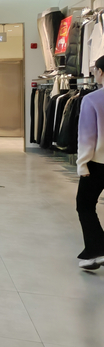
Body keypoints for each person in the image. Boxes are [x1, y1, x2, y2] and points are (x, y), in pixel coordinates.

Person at [75, 55, 104, 270]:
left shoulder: (92, 99)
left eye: (95, 70)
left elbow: (87, 136)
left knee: (85, 205)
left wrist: (82, 163)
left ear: (101, 72)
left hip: (97, 163)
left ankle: (96, 250)